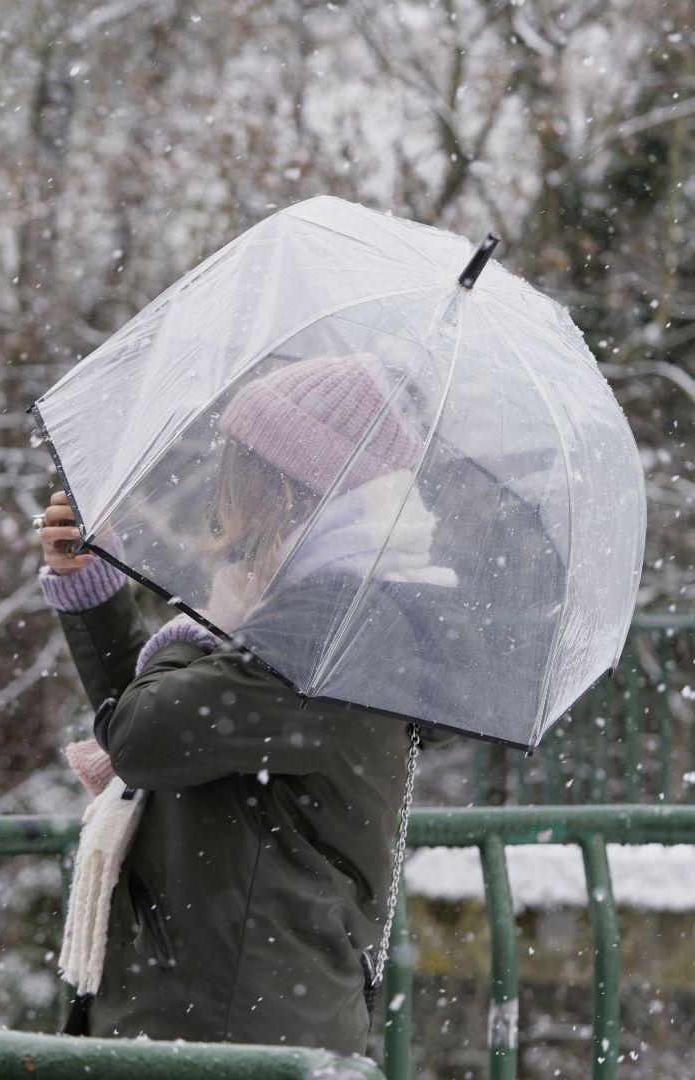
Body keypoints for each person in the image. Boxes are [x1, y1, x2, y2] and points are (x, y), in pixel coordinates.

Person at [35, 353, 459, 1054]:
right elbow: (166, 739)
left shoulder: (335, 631)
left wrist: (192, 634)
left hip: (228, 1029)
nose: (224, 492)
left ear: (288, 488)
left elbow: (144, 737)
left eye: (240, 466)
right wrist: (97, 594)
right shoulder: (318, 615)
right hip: (228, 1014)